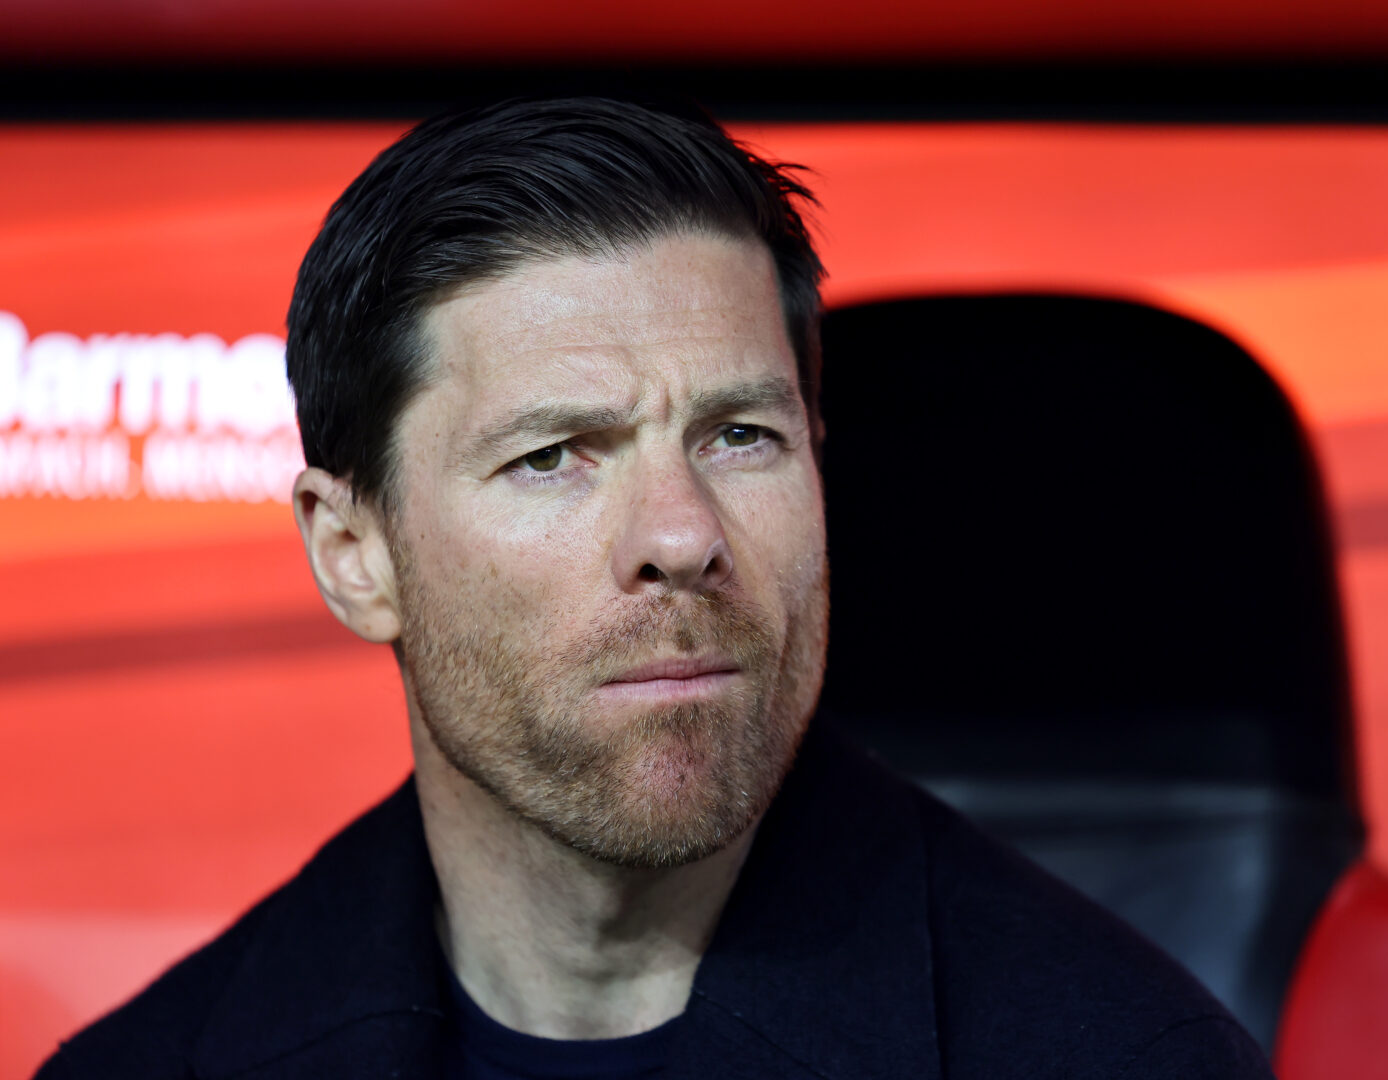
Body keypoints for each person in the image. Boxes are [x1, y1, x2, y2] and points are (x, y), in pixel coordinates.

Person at [37, 97, 1272, 1079]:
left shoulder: (1126, 1054)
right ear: (356, 554)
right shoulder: (152, 1066)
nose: (682, 536)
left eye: (741, 436)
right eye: (551, 456)